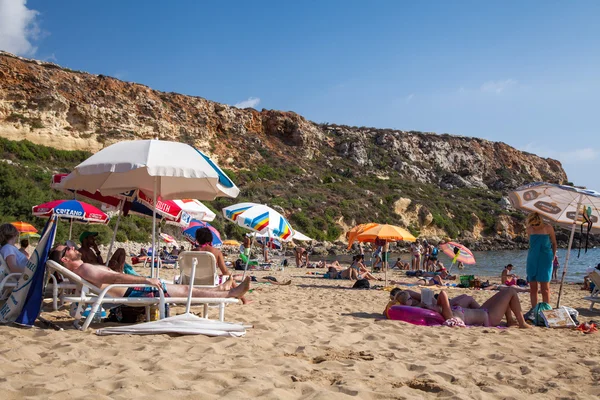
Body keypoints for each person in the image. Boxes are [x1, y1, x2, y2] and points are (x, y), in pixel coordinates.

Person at [48, 243, 250, 301]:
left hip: (132, 288)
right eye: (67, 249)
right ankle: (229, 293)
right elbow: (114, 277)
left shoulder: (84, 268)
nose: (72, 247)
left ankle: (221, 289)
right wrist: (146, 279)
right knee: (185, 289)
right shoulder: (84, 268)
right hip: (135, 290)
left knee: (184, 287)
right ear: (65, 259)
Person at [392, 288, 530, 328]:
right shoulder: (448, 314)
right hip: (489, 317)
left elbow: (408, 293)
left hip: (484, 312)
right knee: (510, 291)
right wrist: (433, 305)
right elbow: (443, 294)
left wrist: (423, 301)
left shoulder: (445, 311)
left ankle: (511, 321)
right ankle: (522, 323)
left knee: (505, 292)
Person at [525, 212, 557, 307]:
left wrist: (553, 256)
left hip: (546, 259)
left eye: (537, 224)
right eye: (533, 224)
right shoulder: (529, 229)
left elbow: (554, 243)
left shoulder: (548, 227)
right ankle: (534, 310)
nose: (535, 226)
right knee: (533, 288)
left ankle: (546, 310)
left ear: (540, 221)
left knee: (545, 289)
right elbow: (531, 245)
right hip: (532, 258)